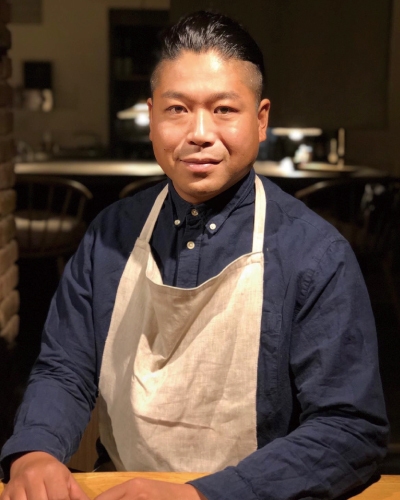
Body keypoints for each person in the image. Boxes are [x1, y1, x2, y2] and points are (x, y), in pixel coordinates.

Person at [0, 10, 388, 500]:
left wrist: (201, 495)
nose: (200, 132)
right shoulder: (111, 234)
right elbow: (65, 368)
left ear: (261, 119)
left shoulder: (314, 253)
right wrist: (35, 449)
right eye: (177, 109)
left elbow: (348, 429)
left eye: (224, 109)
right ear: (151, 117)